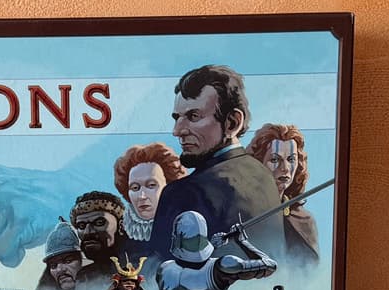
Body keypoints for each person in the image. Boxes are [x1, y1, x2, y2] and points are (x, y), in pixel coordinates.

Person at [149, 65, 286, 266]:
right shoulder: (264, 176)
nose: (177, 131)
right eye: (177, 118)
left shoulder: (184, 192)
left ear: (232, 123)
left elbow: (154, 275)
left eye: (193, 116)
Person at [247, 123, 320, 267]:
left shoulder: (305, 220)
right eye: (275, 160)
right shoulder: (245, 214)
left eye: (291, 160)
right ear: (257, 163)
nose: (285, 168)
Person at [112, 143, 186, 260]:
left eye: (151, 185)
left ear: (170, 186)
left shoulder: (185, 230)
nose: (142, 196)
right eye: (135, 188)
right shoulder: (118, 237)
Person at [35, 219, 86, 290]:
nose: (60, 270)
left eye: (68, 261)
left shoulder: (102, 285)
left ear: (82, 260)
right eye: (53, 265)